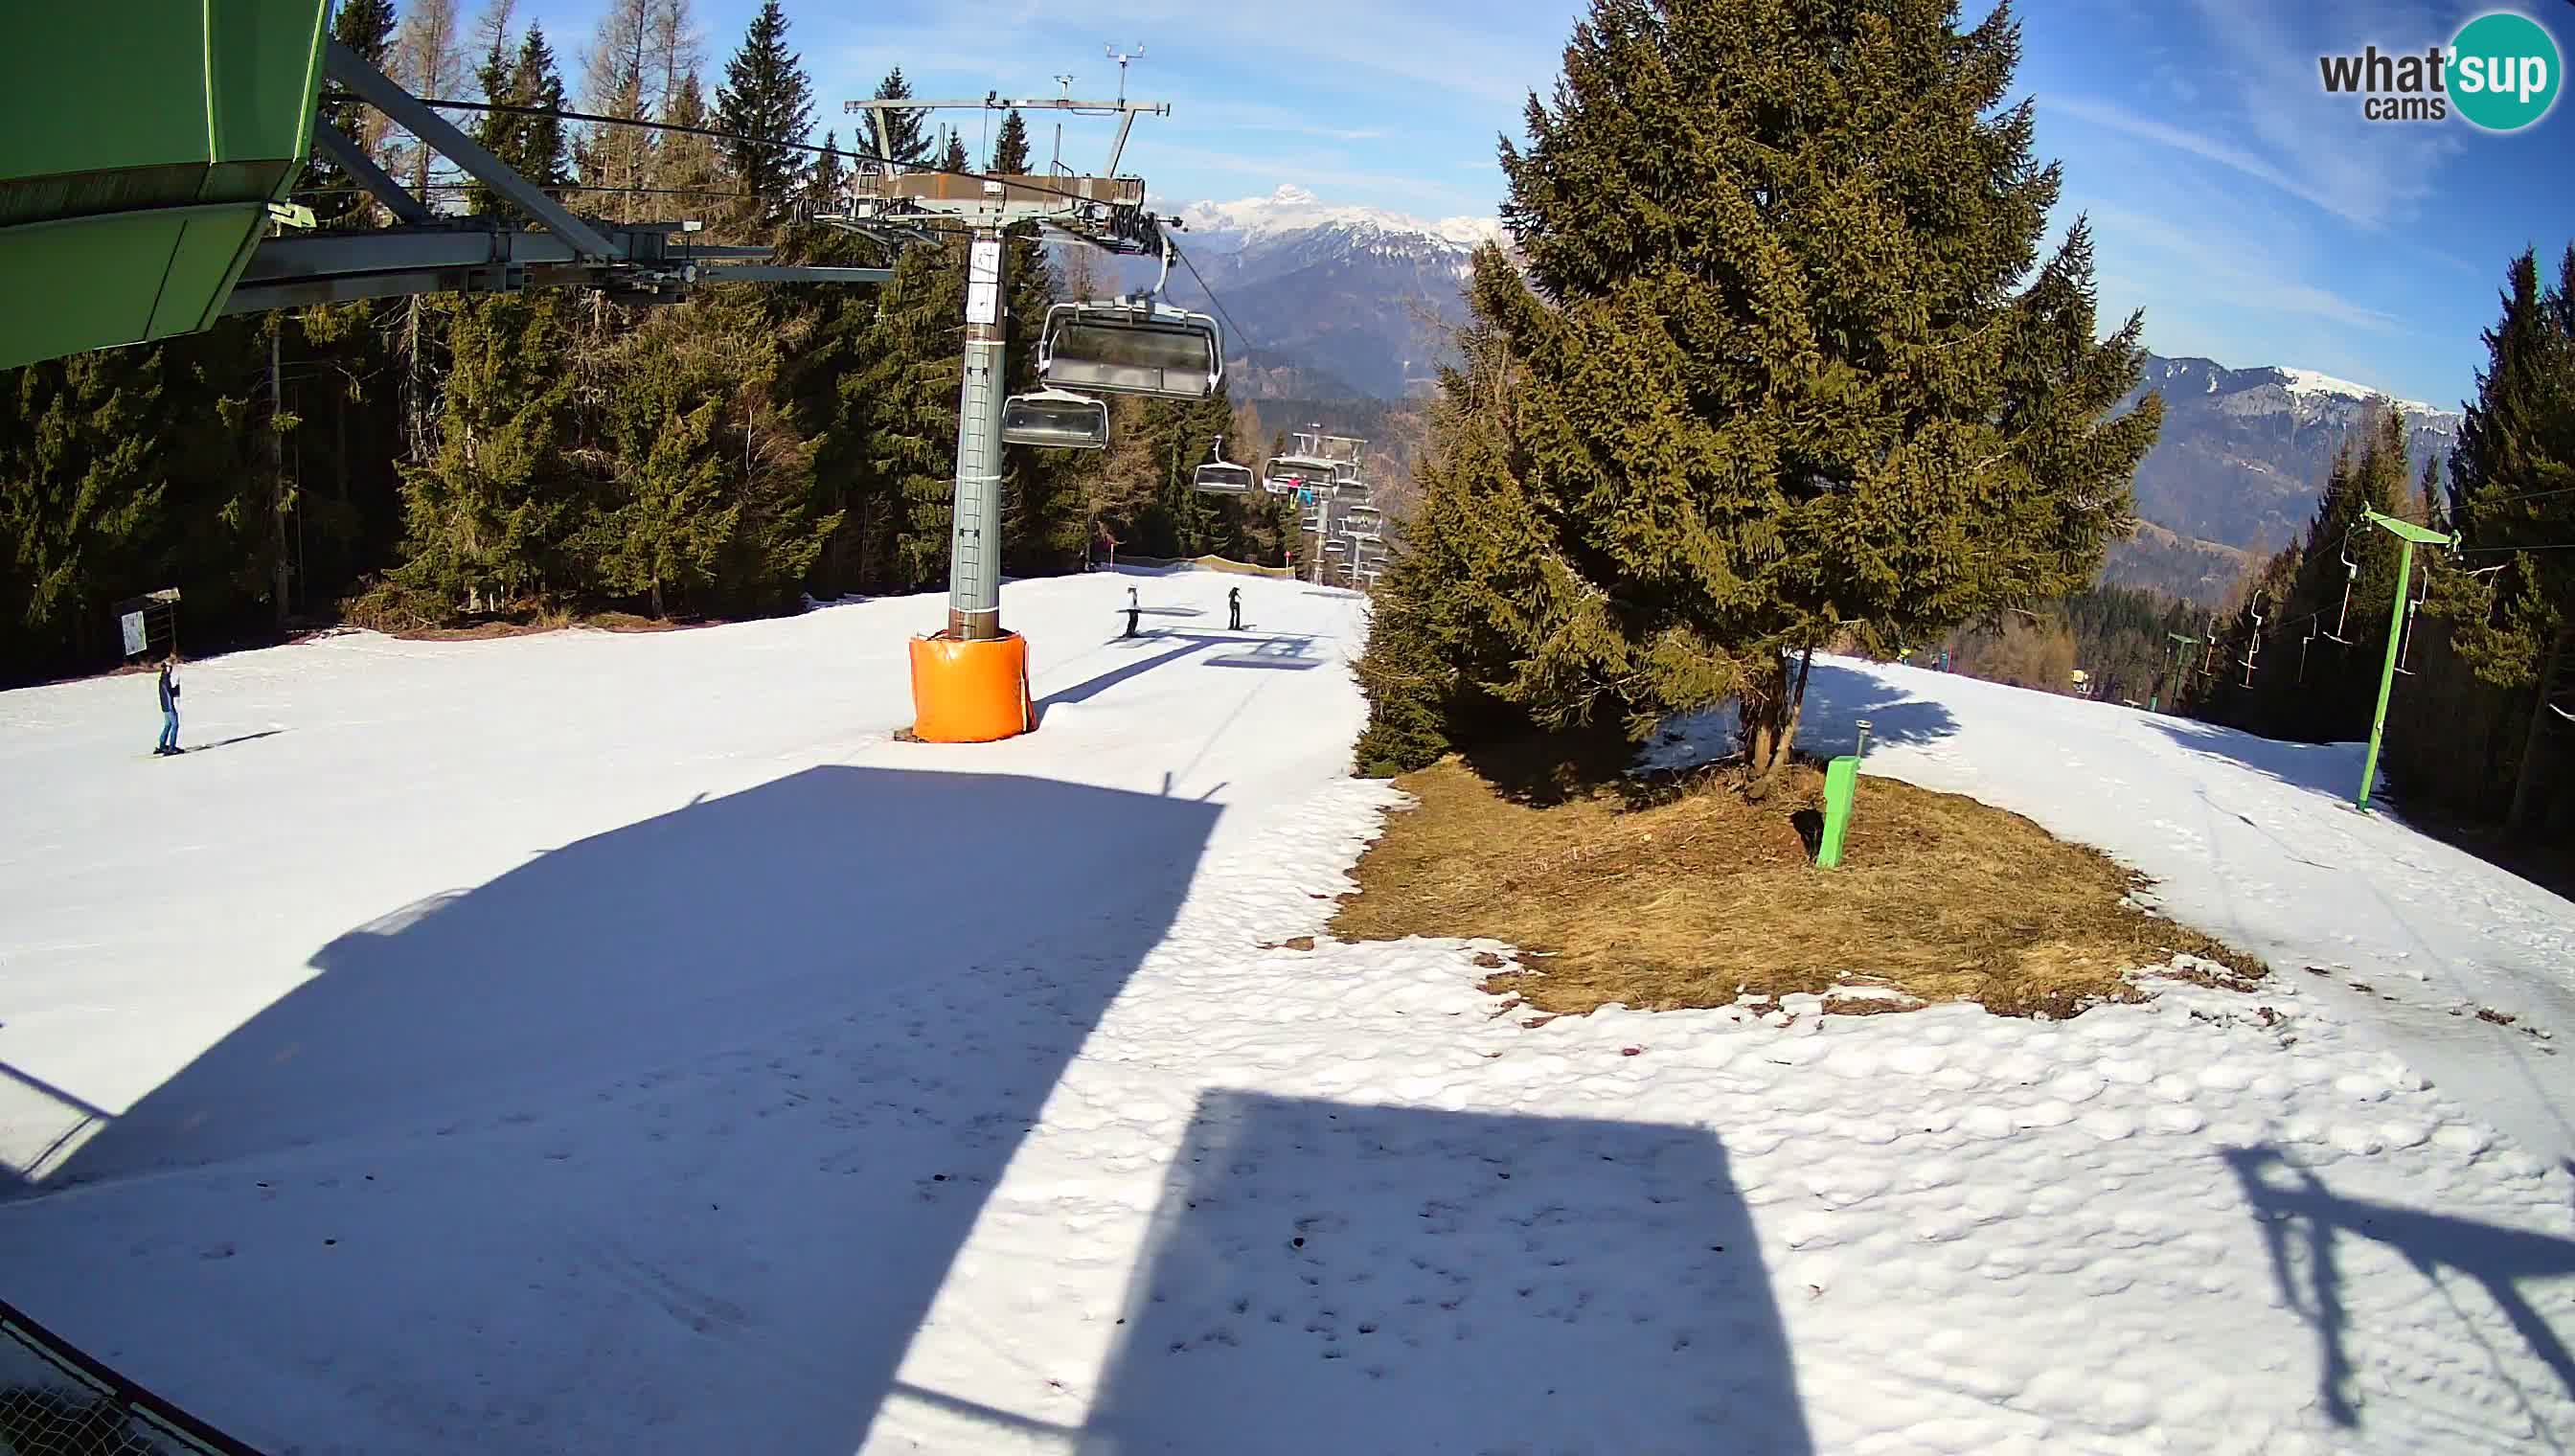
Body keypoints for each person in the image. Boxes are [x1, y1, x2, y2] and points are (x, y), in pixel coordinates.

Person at [154, 654, 182, 756]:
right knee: (175, 725)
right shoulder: (165, 679)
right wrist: (176, 690)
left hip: (165, 706)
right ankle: (172, 747)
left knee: (168, 725)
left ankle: (162, 745)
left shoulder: (163, 679)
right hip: (169, 706)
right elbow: (168, 693)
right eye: (169, 668)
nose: (170, 670)